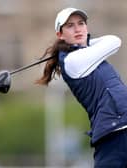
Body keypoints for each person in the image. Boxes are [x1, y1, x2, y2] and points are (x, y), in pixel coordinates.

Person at [36, 7, 127, 167]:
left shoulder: (89, 54)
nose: (77, 29)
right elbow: (114, 41)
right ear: (60, 34)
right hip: (113, 136)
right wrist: (83, 43)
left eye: (81, 23)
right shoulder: (72, 61)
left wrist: (83, 43)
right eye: (70, 26)